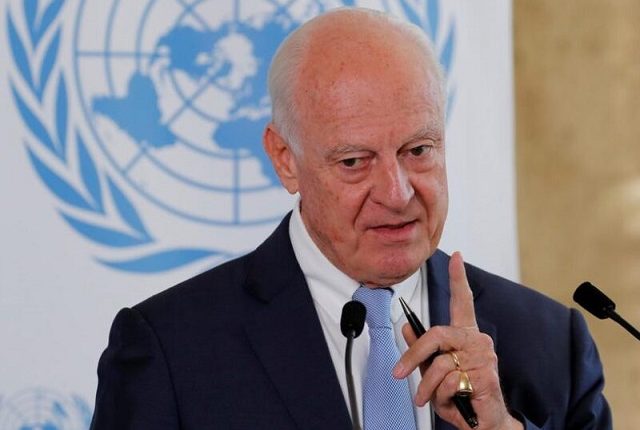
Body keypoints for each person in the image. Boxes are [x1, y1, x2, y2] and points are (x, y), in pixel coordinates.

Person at [90, 7, 611, 430]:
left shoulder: (550, 343)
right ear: (285, 159)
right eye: (354, 162)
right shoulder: (172, 349)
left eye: (418, 150)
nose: (397, 193)